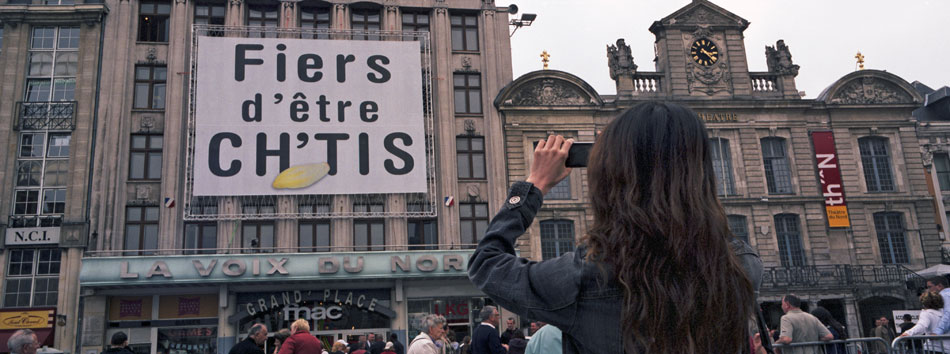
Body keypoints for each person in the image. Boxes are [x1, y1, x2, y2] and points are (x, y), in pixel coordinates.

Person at [468, 102, 757, 354]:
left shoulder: (584, 279)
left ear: (611, 179)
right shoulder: (743, 266)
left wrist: (534, 185)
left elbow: (486, 263)